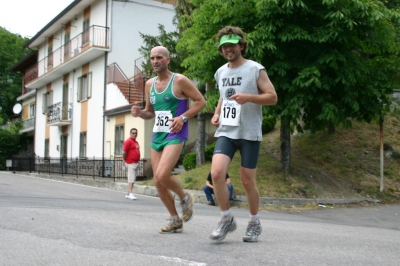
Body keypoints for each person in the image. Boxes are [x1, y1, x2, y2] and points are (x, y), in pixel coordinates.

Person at [209, 26, 278, 242]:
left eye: (231, 45)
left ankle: (254, 222)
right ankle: (226, 218)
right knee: (217, 174)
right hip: (227, 131)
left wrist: (248, 97)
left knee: (247, 182)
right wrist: (217, 112)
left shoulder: (255, 69)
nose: (228, 49)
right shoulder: (220, 72)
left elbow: (272, 97)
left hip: (248, 132)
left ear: (241, 45)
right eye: (224, 46)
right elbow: (223, 96)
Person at [131, 46, 206, 234]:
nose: (155, 61)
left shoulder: (179, 80)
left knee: (163, 175)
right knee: (157, 181)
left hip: (176, 133)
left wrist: (183, 118)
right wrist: (140, 113)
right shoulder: (149, 84)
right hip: (158, 134)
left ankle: (184, 197)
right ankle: (175, 219)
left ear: (167, 60)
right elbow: (150, 112)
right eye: (152, 58)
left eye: (159, 58)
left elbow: (201, 101)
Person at [123, 128, 141, 200]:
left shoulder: (136, 142)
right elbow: (124, 152)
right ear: (130, 133)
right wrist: (124, 159)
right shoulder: (128, 141)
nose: (134, 134)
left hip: (136, 162)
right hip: (130, 162)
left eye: (136, 133)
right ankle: (130, 193)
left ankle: (128, 193)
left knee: (133, 178)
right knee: (131, 178)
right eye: (133, 133)